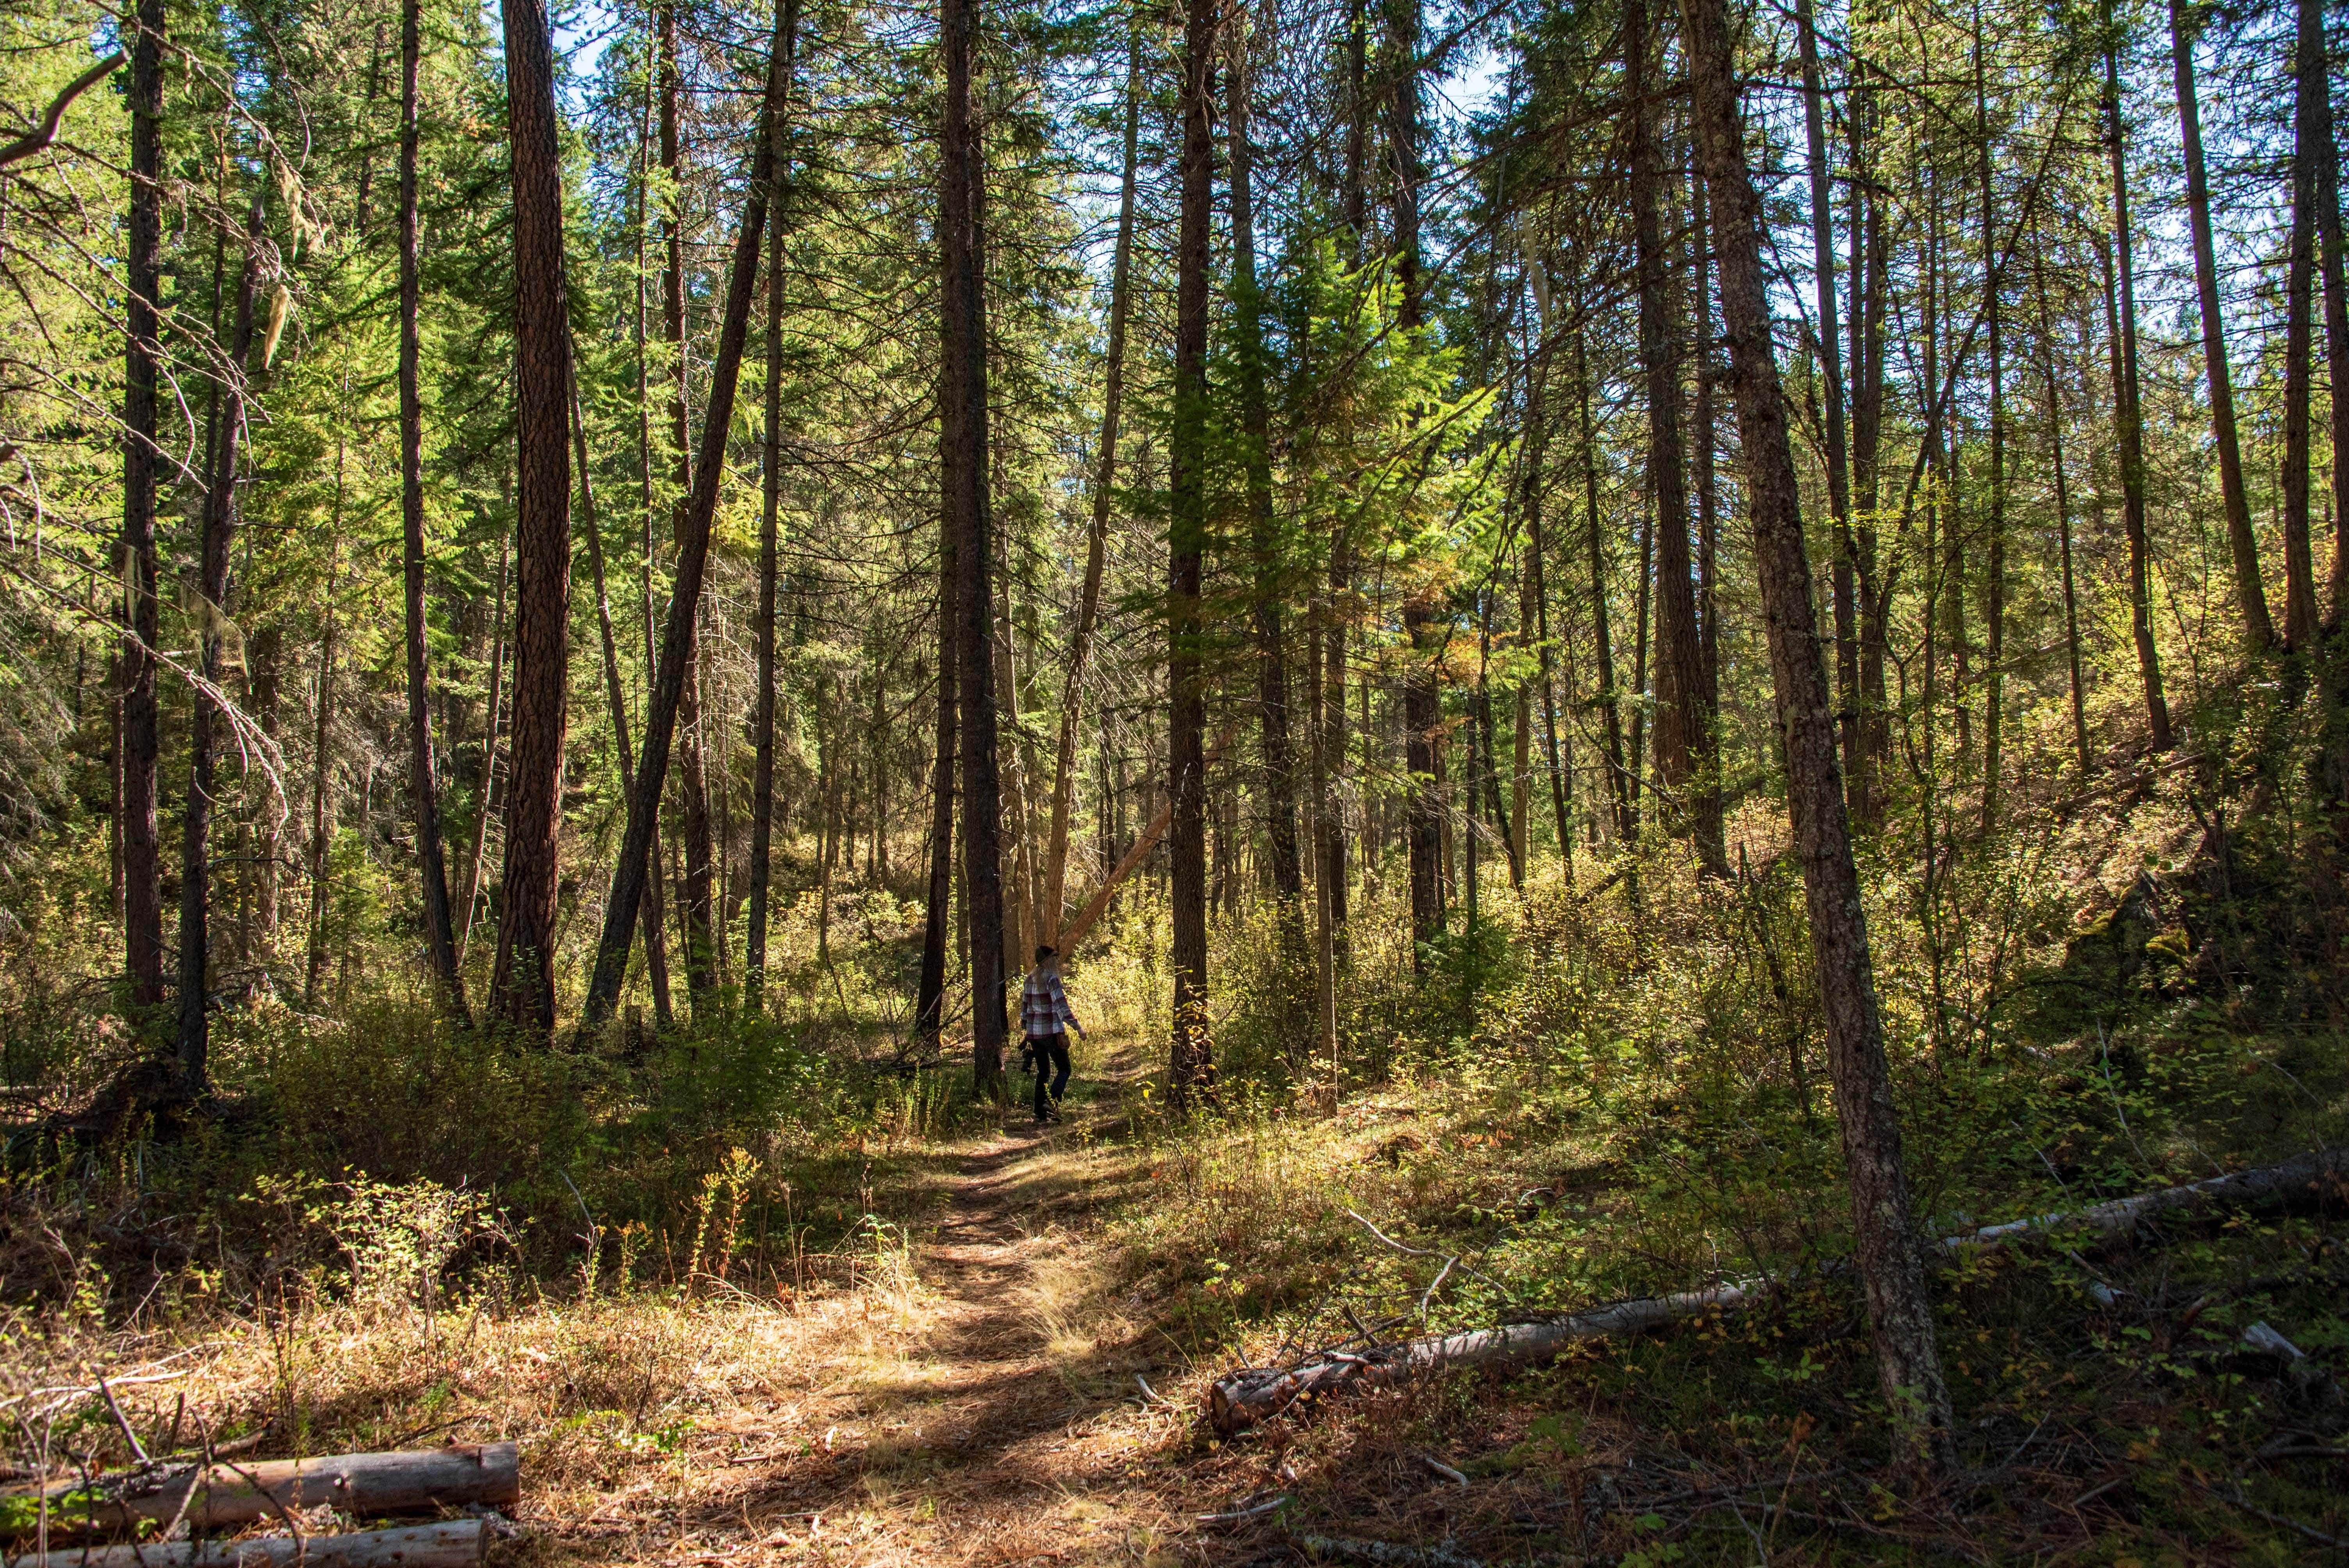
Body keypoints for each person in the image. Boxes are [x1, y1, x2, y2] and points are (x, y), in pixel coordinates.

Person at [1019, 943, 1082, 1123]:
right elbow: (1062, 1007)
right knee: (1065, 1069)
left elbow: (1025, 1009)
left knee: (1044, 1072)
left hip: (1034, 1035)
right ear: (1047, 961)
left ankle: (1040, 1114)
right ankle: (1051, 1102)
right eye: (1054, 958)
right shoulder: (1052, 979)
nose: (1056, 961)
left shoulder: (1029, 979)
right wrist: (1078, 1027)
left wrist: (1027, 1030)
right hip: (1051, 1033)